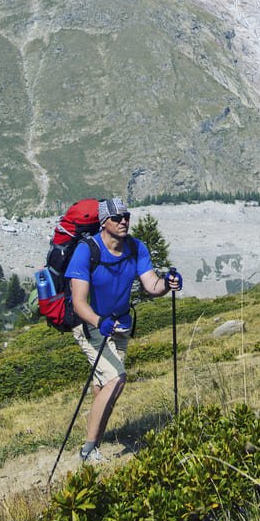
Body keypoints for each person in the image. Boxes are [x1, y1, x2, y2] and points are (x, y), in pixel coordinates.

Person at [66, 196, 182, 464]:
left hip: (120, 325)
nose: (124, 221)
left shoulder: (135, 247)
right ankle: (88, 450)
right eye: (118, 218)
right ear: (104, 222)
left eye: (126, 216)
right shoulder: (86, 251)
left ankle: (98, 437)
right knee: (116, 379)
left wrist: (168, 282)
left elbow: (151, 286)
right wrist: (98, 322)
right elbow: (79, 303)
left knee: (103, 385)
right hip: (90, 325)